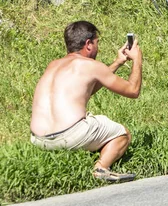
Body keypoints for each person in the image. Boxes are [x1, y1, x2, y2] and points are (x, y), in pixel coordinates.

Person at [30, 21, 142, 182]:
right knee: (121, 133)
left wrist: (117, 62)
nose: (98, 47)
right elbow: (133, 91)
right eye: (97, 43)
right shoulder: (91, 65)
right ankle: (101, 168)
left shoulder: (53, 65)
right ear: (88, 44)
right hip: (70, 136)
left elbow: (87, 89)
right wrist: (137, 59)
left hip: (39, 140)